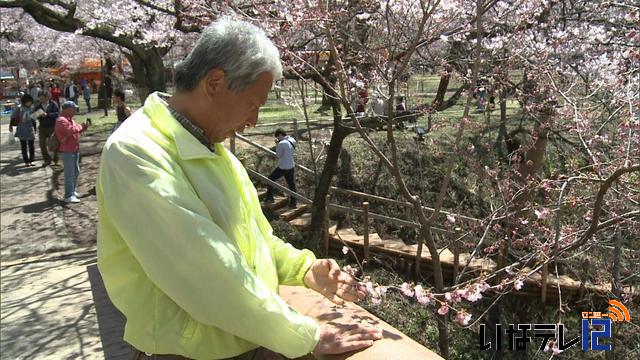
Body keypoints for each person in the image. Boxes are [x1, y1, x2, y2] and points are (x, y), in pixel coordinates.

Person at [97, 17, 381, 360]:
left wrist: (303, 268)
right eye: (254, 104)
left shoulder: (212, 149)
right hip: (189, 353)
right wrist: (305, 336)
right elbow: (208, 273)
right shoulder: (136, 152)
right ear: (215, 83)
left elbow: (257, 241)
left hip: (245, 338)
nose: (254, 122)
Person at [55, 101, 89, 203]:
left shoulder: (70, 119)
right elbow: (71, 130)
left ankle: (72, 191)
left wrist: (83, 128)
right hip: (67, 151)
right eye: (73, 108)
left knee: (76, 172)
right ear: (67, 109)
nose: (75, 110)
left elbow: (75, 130)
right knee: (69, 174)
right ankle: (68, 195)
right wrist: (80, 127)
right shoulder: (61, 120)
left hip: (74, 150)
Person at [264, 128, 298, 208]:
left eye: (277, 137)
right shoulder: (292, 140)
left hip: (283, 166)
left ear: (280, 135)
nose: (277, 139)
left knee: (270, 179)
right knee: (291, 185)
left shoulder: (282, 143)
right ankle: (293, 203)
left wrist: (277, 144)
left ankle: (270, 198)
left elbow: (278, 155)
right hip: (291, 165)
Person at [9, 94, 37, 166]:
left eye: (31, 102)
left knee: (31, 145)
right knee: (23, 145)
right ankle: (26, 161)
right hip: (21, 128)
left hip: (30, 128)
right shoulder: (19, 108)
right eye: (29, 102)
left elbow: (34, 118)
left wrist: (35, 127)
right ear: (25, 101)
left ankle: (32, 160)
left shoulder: (32, 108)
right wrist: (11, 125)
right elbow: (13, 116)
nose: (30, 103)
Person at [36, 91, 60, 166]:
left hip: (52, 126)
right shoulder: (38, 106)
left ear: (47, 97)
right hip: (42, 127)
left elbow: (57, 114)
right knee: (42, 144)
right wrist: (39, 115)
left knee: (54, 144)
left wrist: (48, 114)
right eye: (40, 99)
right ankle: (46, 159)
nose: (42, 100)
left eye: (43, 98)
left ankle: (56, 158)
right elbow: (33, 115)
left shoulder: (53, 104)